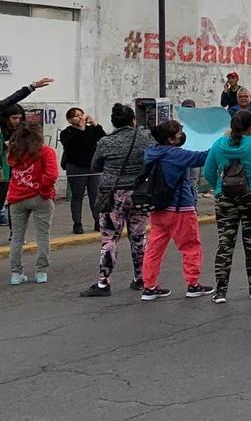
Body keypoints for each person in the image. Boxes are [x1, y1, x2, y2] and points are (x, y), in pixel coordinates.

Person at [203, 109, 251, 303]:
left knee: (225, 244)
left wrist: (219, 188)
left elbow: (208, 172)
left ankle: (220, 291)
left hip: (225, 198)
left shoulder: (218, 145)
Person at [81, 103, 155, 297]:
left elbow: (95, 164)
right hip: (137, 193)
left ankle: (104, 283)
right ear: (133, 121)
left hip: (111, 195)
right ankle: (141, 278)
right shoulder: (145, 138)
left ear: (113, 122)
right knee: (138, 237)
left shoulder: (105, 142)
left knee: (109, 239)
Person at [139, 119, 213, 301]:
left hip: (157, 207)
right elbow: (203, 157)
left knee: (154, 248)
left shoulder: (151, 152)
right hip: (181, 208)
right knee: (190, 246)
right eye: (180, 133)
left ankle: (149, 286)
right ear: (171, 139)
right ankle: (193, 284)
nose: (182, 136)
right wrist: (222, 143)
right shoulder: (176, 154)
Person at [6, 121, 57, 285]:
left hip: (17, 197)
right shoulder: (46, 151)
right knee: (43, 235)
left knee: (17, 238)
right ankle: (41, 271)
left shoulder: (14, 152)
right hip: (40, 196)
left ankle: (16, 273)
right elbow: (51, 175)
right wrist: (44, 191)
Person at [1, 78, 53, 227]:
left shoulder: (20, 130)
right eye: (13, 118)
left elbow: (10, 100)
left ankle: (12, 229)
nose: (16, 121)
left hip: (11, 168)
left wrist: (32, 87)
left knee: (11, 197)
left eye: (18, 118)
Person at [60, 107, 105, 235]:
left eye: (81, 114)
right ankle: (77, 223)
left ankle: (98, 221)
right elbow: (71, 144)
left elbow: (104, 139)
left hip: (93, 167)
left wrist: (96, 125)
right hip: (76, 167)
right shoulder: (67, 133)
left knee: (95, 196)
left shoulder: (91, 130)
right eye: (75, 116)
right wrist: (80, 129)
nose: (80, 117)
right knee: (77, 195)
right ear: (69, 120)